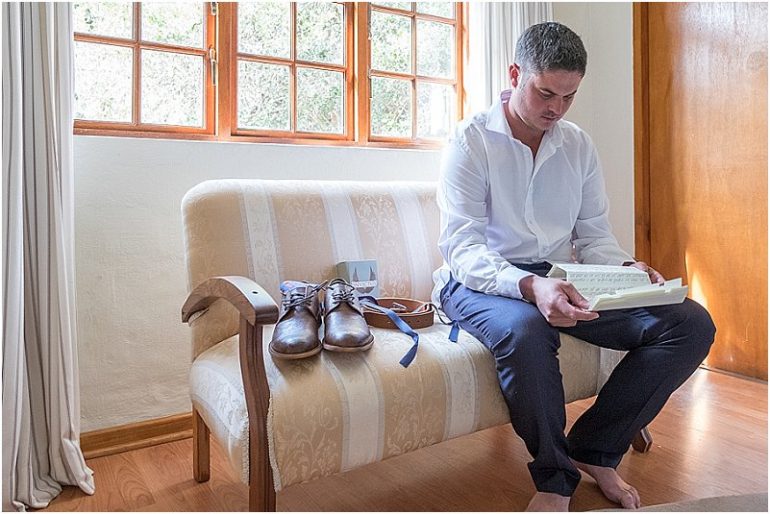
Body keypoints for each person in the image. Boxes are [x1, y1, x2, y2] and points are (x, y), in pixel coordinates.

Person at [432, 22, 715, 511]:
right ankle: (554, 477)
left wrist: (626, 267)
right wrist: (529, 286)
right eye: (546, 93)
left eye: (568, 97)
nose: (556, 109)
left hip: (560, 275)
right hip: (479, 280)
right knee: (526, 331)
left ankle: (596, 449)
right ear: (515, 74)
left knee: (690, 324)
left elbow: (594, 236)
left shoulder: (577, 145)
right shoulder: (471, 140)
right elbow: (462, 246)